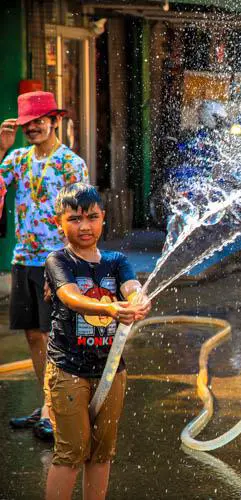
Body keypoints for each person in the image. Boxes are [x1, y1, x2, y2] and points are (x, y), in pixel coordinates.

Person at [43, 183, 150, 500]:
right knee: (72, 452)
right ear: (59, 222)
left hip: (111, 370)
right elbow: (71, 297)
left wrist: (139, 300)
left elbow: (132, 287)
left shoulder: (116, 261)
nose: (85, 226)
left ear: (103, 217)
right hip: (67, 370)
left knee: (102, 452)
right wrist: (110, 307)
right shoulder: (58, 260)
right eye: (75, 219)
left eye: (92, 217)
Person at [0, 91, 89, 441]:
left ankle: (56, 411)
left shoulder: (71, 163)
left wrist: (69, 266)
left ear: (54, 120)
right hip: (23, 258)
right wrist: (2, 148)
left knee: (55, 337)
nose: (33, 127)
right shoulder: (18, 159)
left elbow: (80, 218)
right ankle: (47, 404)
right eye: (27, 123)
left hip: (57, 260)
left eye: (39, 120)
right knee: (34, 336)